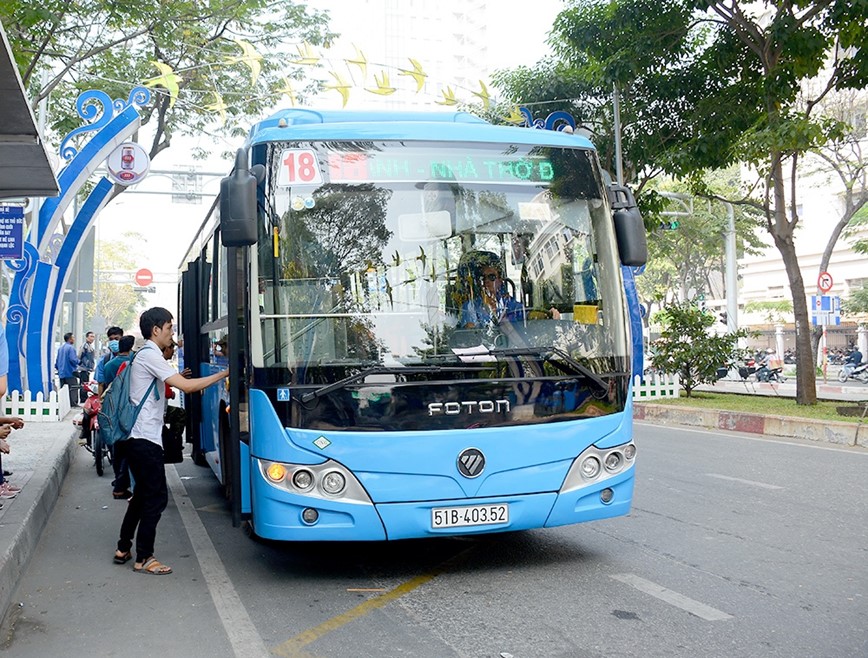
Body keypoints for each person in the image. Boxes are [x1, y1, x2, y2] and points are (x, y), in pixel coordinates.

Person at [114, 307, 228, 575]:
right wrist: (224, 374)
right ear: (156, 330)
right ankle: (144, 557)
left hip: (137, 437)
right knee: (156, 498)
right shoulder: (151, 355)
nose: (172, 334)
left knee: (142, 495)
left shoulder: (145, 356)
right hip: (144, 439)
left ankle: (123, 547)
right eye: (169, 328)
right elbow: (186, 388)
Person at [103, 335, 135, 500]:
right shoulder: (133, 362)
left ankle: (118, 480)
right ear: (131, 347)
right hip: (125, 408)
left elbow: (102, 383)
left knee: (116, 447)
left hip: (111, 406)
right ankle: (122, 484)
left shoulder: (108, 364)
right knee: (126, 447)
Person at [460, 251, 525, 328]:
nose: (486, 281)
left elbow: (523, 328)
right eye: (483, 278)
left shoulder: (513, 306)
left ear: (500, 279)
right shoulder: (470, 307)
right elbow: (469, 334)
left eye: (491, 277)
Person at [96, 326, 123, 395]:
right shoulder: (104, 360)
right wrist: (100, 402)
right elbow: (101, 384)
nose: (114, 341)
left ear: (122, 339)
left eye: (116, 339)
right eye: (111, 339)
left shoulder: (129, 358)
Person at [55, 332, 79, 407]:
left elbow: (57, 361)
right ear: (70, 339)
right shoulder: (71, 348)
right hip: (70, 372)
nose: (74, 339)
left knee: (63, 390)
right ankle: (72, 404)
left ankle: (64, 404)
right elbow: (73, 359)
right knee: (73, 388)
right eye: (73, 337)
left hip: (61, 373)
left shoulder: (60, 348)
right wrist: (79, 362)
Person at [77, 331, 96, 403]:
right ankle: (83, 399)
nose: (92, 338)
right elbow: (79, 356)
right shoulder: (84, 346)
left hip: (87, 369)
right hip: (84, 368)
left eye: (93, 337)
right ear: (87, 337)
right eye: (91, 336)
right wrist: (83, 364)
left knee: (86, 383)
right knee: (84, 384)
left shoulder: (90, 346)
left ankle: (84, 397)